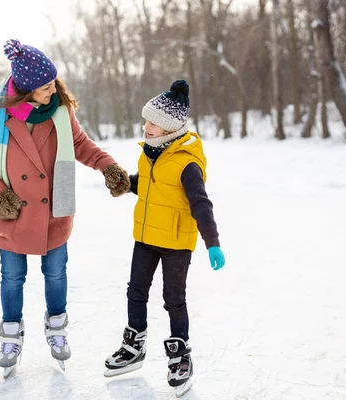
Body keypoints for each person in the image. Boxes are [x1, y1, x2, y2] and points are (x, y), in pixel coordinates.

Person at [0, 39, 131, 375]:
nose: (52, 90)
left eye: (53, 82)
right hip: (12, 210)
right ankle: (11, 333)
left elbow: (80, 144)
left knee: (56, 273)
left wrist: (107, 165)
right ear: (24, 90)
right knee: (12, 276)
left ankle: (56, 328)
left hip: (55, 206)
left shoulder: (61, 110)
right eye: (44, 87)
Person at [104, 80, 226, 391]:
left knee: (174, 300)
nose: (146, 127)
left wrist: (212, 243)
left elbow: (201, 204)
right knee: (135, 291)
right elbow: (149, 185)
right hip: (145, 237)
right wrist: (126, 184)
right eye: (146, 120)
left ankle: (180, 355)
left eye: (153, 123)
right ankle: (134, 346)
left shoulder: (187, 163)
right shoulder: (150, 153)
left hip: (175, 243)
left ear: (170, 127)